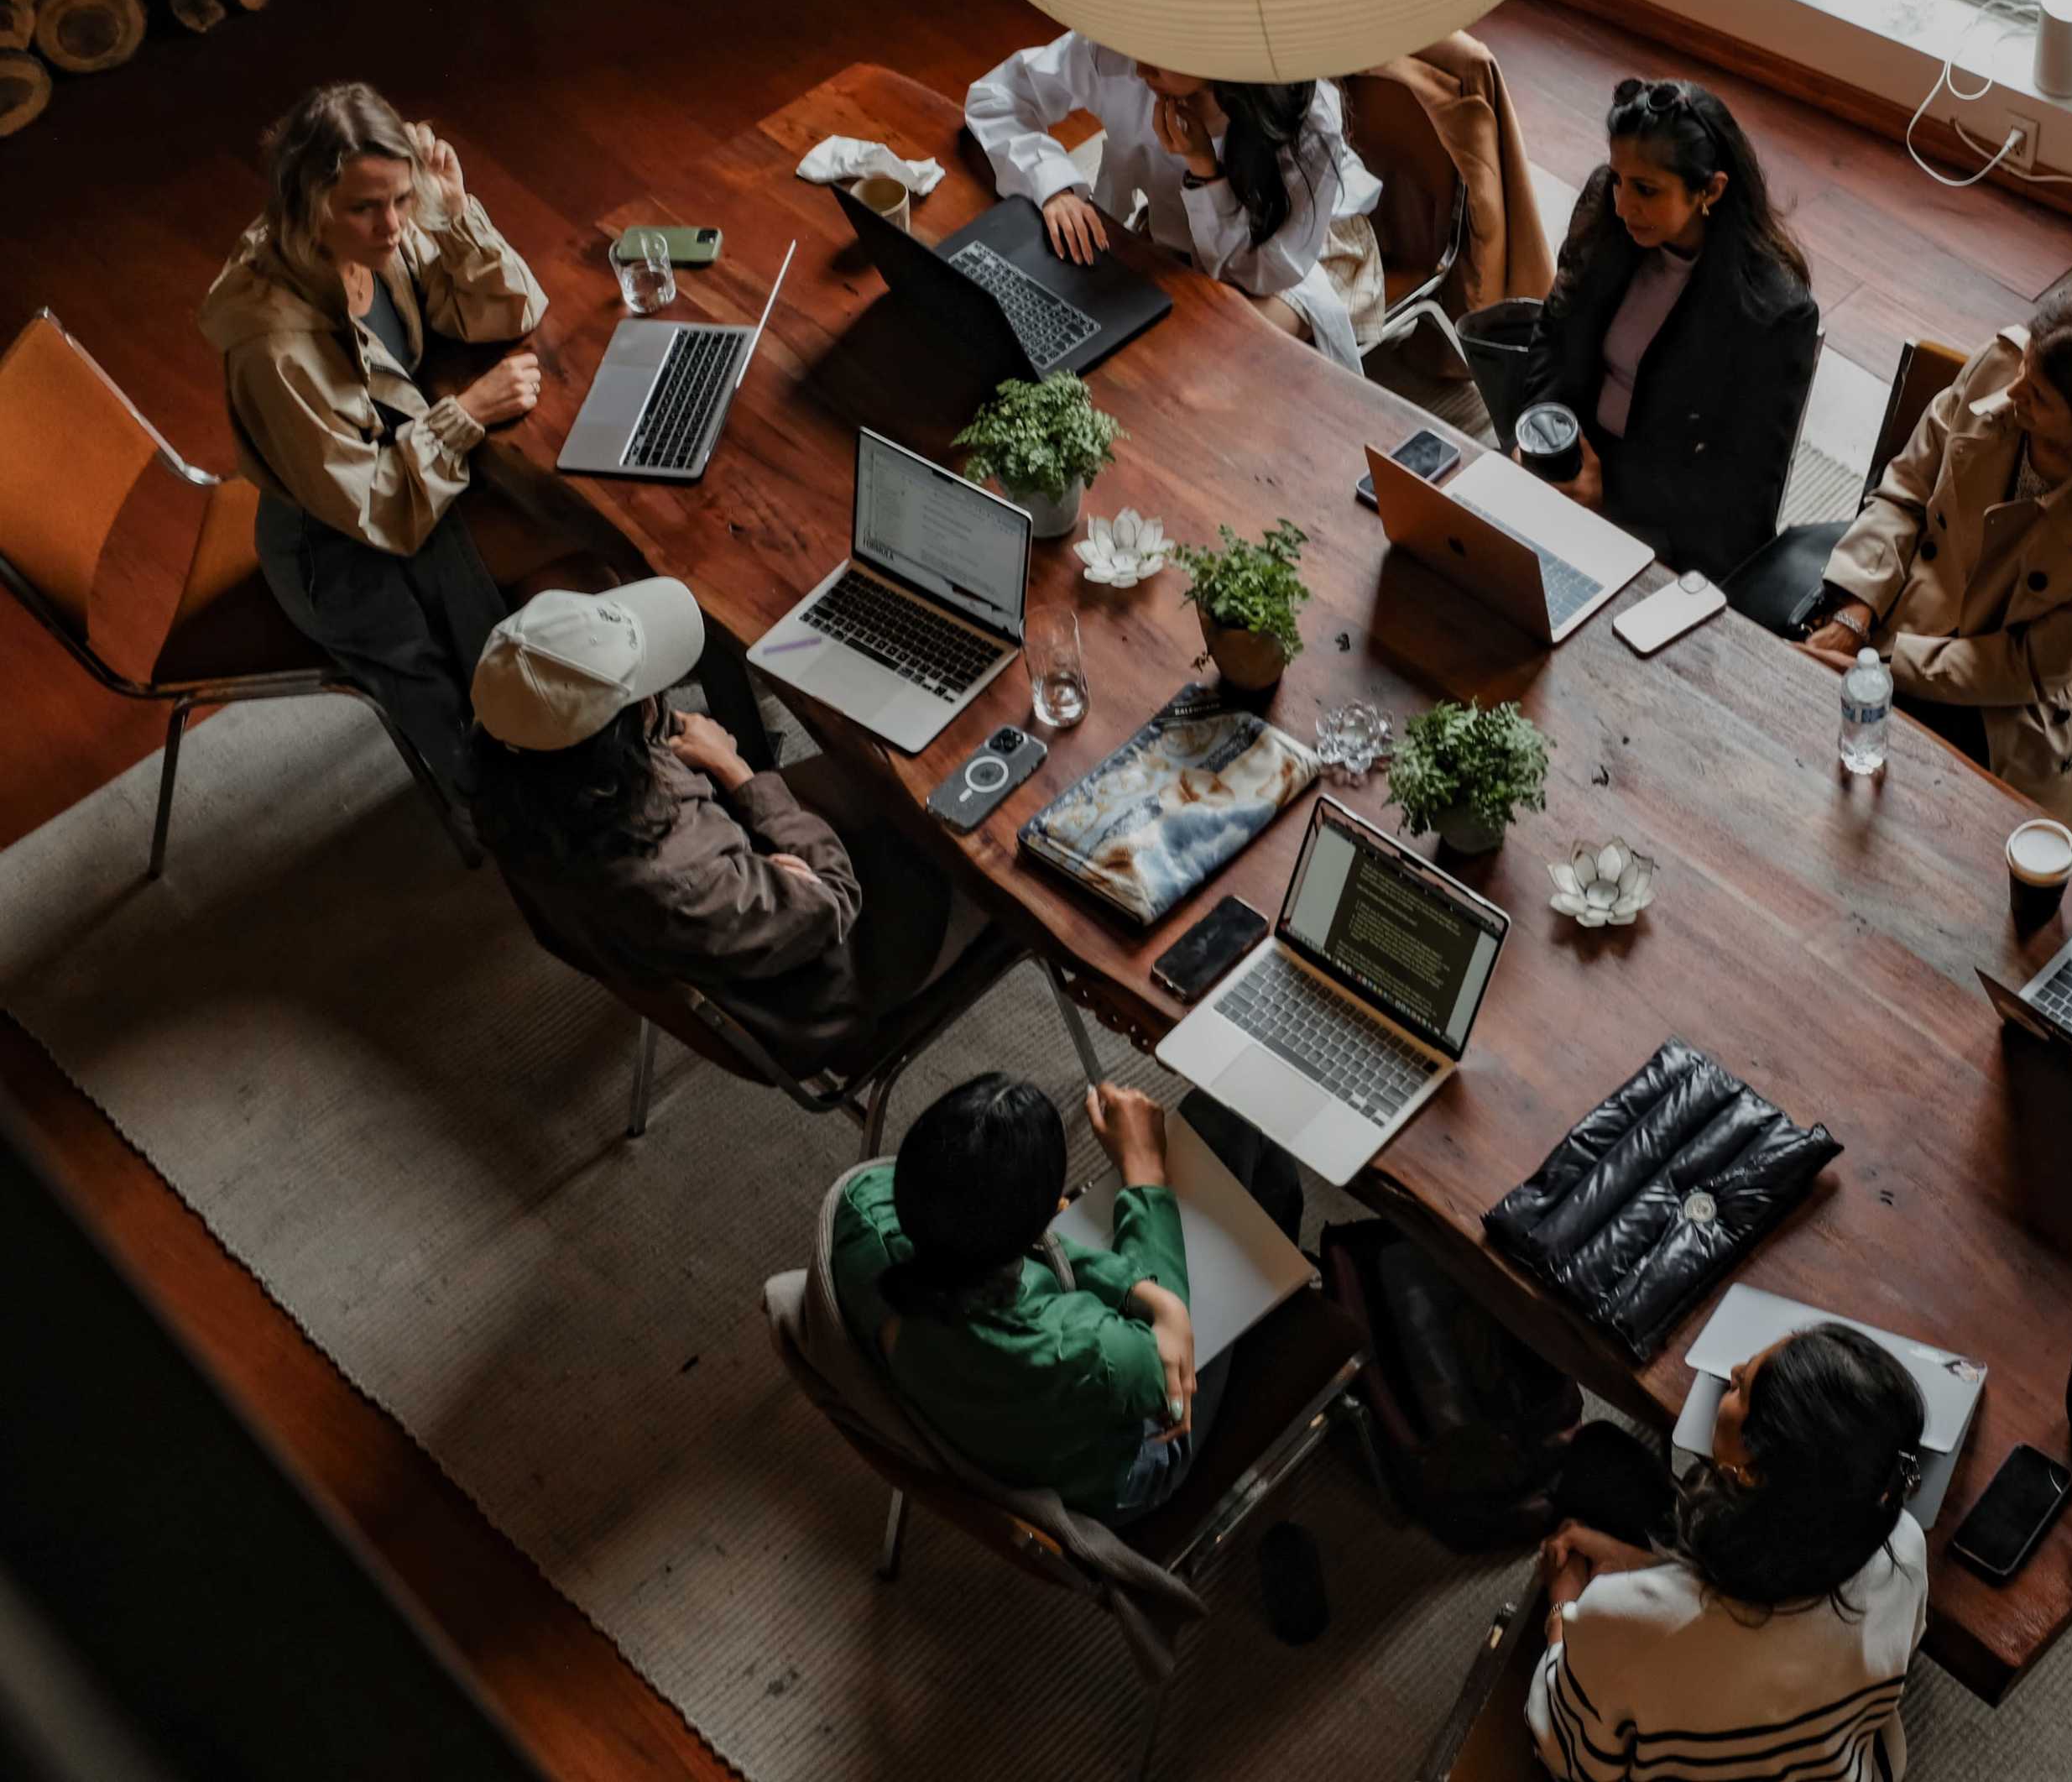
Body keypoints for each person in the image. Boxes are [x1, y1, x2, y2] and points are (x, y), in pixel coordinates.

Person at [201, 81, 556, 797]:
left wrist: (455, 214)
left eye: (401, 198)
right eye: (366, 206)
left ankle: (590, 749)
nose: (393, 226)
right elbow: (376, 509)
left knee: (571, 563)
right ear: (307, 207)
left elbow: (508, 309)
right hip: (338, 544)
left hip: (418, 472)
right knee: (557, 565)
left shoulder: (373, 235)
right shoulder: (274, 345)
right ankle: (523, 816)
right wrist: (468, 413)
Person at [470, 577, 984, 1066]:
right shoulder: (682, 878)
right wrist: (734, 769)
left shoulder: (511, 773)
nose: (658, 702)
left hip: (722, 918)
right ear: (619, 741)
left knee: (872, 775)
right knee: (969, 817)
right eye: (645, 696)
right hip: (828, 981)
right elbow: (833, 900)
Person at [829, 1069, 1303, 1521]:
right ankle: (1280, 1312)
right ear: (1043, 1223)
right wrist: (1145, 1177)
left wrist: (1139, 1290)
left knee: (1243, 1144)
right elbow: (1160, 1358)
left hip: (982, 1408)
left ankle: (1277, 1256)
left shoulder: (863, 1204)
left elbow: (993, 1249)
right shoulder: (1085, 1351)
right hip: (1117, 1466)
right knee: (1228, 1122)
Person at [1800, 288, 2072, 832]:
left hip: (2006, 691)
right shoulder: (2003, 364)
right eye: (2027, 368)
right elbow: (1906, 491)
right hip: (1909, 600)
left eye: (2040, 395)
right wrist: (1854, 615)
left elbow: (2030, 664)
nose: (2013, 390)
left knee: (1926, 816)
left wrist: (1883, 668)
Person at [1528, 1325, 1930, 1782]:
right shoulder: (1906, 1547)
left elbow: (1565, 1753)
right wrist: (1646, 1571)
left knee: (1598, 1459)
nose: (1733, 1371)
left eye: (1741, 1388)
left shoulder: (1627, 1622)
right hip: (1842, 1757)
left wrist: (1565, 1607)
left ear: (1752, 1471)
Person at [1514, 78, 1820, 582]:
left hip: (1666, 528)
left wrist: (1605, 491)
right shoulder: (1607, 215)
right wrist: (1543, 435)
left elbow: (1741, 492)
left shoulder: (1773, 312)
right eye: (1617, 179)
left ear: (1712, 190)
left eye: (1646, 190)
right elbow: (1554, 331)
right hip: (1570, 466)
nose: (1621, 204)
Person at [965, 32, 1386, 368]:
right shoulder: (1125, 53)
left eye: (1159, 53)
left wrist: (1206, 171)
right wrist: (1052, 184)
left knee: (1203, 358)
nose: (1139, 64)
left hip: (1307, 253)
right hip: (1181, 238)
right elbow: (997, 98)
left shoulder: (1309, 120)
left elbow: (1263, 273)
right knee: (1095, 329)